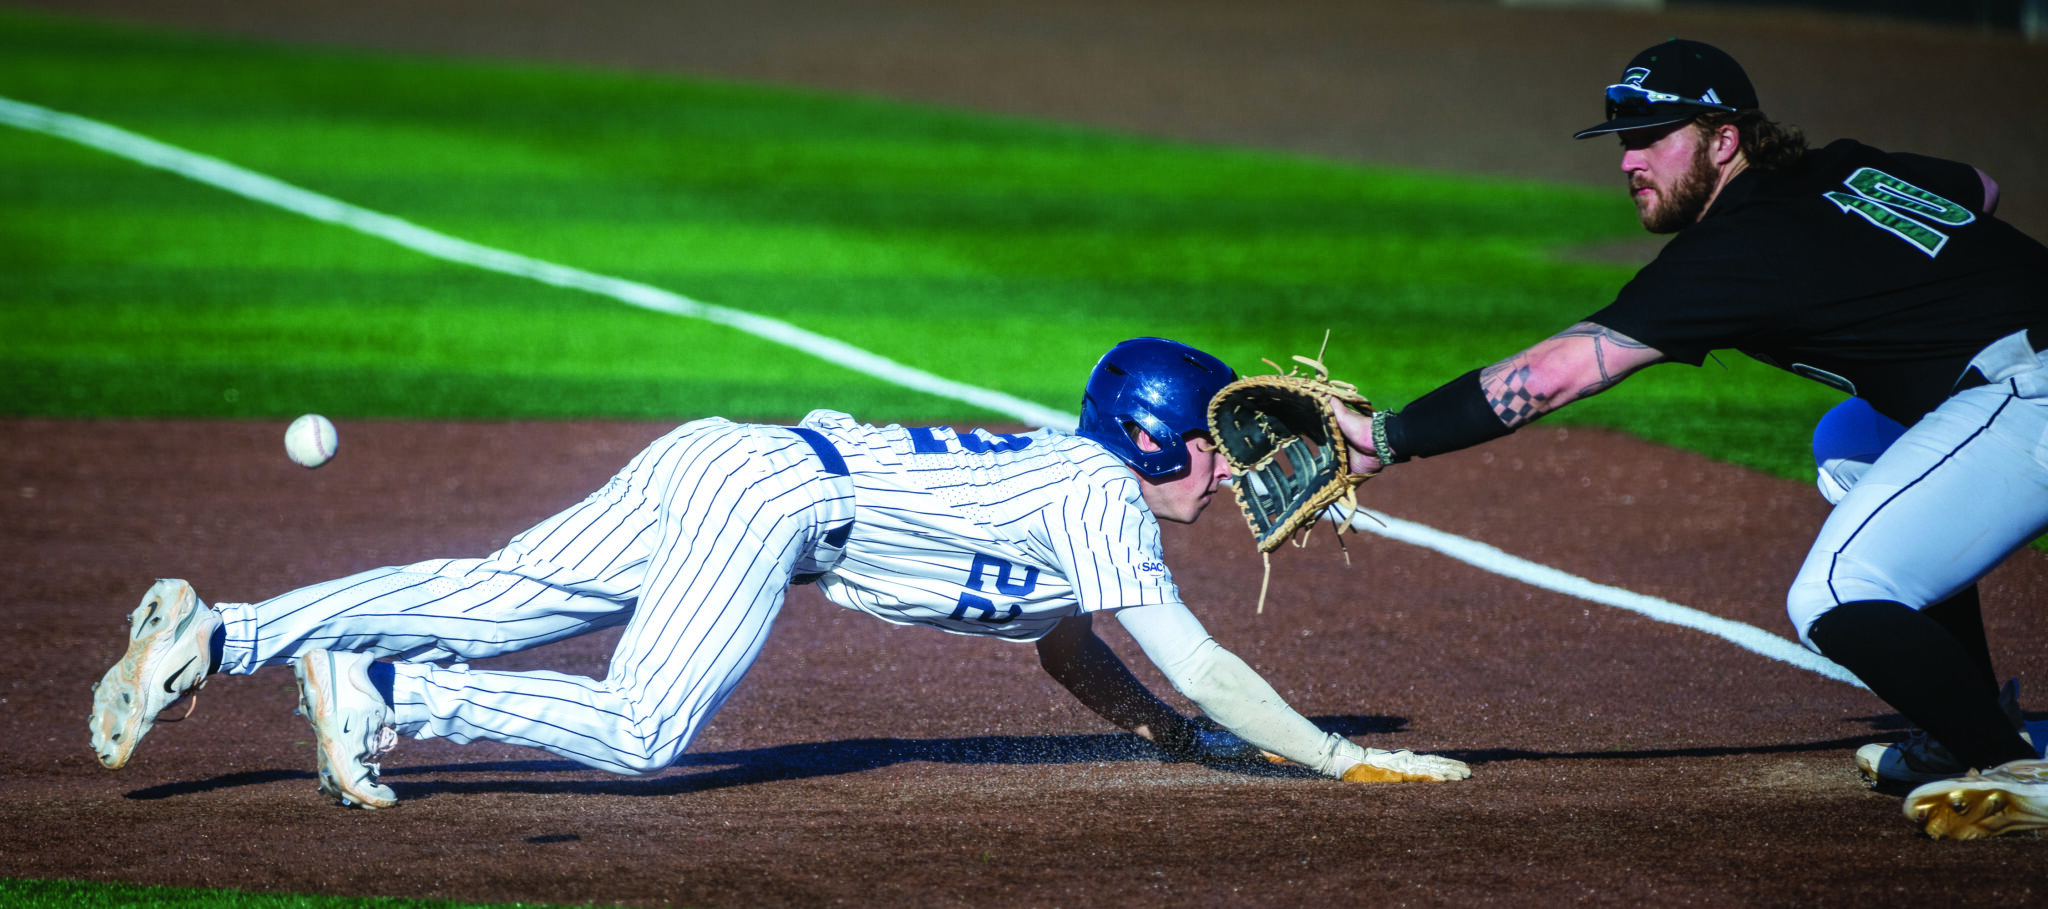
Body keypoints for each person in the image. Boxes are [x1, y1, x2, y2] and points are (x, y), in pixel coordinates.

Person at [88, 337, 1470, 808]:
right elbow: (1202, 656)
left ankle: (219, 635)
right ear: (1157, 442)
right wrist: (1329, 753)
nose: (1230, 472)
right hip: (779, 502)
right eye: (1213, 449)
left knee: (495, 593)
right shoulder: (1103, 491)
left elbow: (1064, 643)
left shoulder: (1068, 497)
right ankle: (389, 696)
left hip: (735, 457)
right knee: (641, 732)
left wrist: (1165, 737)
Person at [1330, 39, 2048, 840]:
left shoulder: (1735, 250)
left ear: (1724, 137)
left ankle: (2011, 765)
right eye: (1623, 142)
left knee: (1836, 595)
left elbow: (1564, 370)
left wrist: (1383, 439)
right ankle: (1969, 726)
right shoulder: (1840, 168)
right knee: (1851, 445)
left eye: (1654, 137)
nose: (1631, 160)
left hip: (2030, 389)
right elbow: (1978, 188)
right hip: (2017, 367)